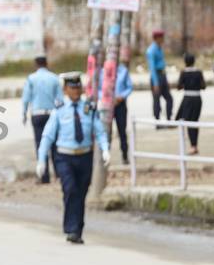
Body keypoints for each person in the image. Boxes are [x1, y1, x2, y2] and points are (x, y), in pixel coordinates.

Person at [37, 73, 109, 245]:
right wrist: (41, 160)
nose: (76, 91)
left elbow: (99, 131)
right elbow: (47, 136)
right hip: (64, 156)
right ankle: (71, 227)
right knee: (70, 189)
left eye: (78, 88)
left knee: (81, 193)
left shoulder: (89, 109)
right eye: (72, 88)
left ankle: (77, 229)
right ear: (65, 90)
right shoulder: (59, 110)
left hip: (84, 155)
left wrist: (105, 149)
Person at [20, 54, 62, 183]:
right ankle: (59, 174)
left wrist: (24, 114)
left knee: (40, 144)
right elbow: (60, 100)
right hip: (52, 114)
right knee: (54, 145)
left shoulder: (31, 79)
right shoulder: (54, 78)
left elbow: (26, 98)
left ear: (36, 65)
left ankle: (44, 176)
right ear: (46, 64)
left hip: (37, 115)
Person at [175, 53, 206, 154]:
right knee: (194, 121)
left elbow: (179, 86)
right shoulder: (198, 72)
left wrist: (186, 84)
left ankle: (192, 145)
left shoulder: (184, 72)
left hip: (188, 98)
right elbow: (203, 86)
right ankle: (194, 144)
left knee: (188, 122)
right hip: (197, 98)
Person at [146, 28, 172, 123]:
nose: (163, 39)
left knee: (169, 99)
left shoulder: (160, 49)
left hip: (162, 75)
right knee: (157, 101)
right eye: (162, 37)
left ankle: (169, 119)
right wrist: (156, 83)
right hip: (156, 77)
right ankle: (157, 121)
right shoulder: (151, 50)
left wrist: (166, 80)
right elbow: (152, 68)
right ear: (157, 38)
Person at [112, 55, 133, 164]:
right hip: (108, 105)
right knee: (105, 132)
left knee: (122, 131)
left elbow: (129, 87)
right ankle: (104, 156)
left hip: (120, 104)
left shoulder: (123, 71)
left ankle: (125, 155)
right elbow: (100, 88)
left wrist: (121, 96)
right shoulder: (103, 71)